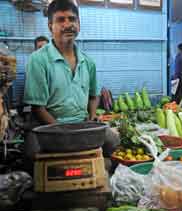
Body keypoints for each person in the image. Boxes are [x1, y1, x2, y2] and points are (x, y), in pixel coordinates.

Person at [23, 0, 119, 169]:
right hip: (47, 126)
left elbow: (94, 95)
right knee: (34, 159)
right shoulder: (38, 60)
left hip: (81, 124)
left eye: (72, 19)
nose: (68, 24)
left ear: (79, 24)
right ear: (50, 25)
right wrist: (62, 132)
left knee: (114, 142)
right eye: (61, 20)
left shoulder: (88, 62)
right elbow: (38, 108)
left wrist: (91, 117)